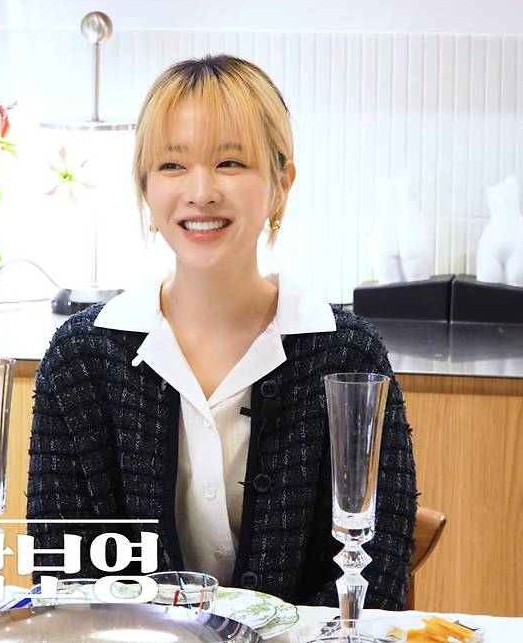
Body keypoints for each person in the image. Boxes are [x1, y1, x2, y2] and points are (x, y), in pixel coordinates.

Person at [27, 54, 417, 609]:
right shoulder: (84, 357)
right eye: (172, 165)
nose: (201, 191)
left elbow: (376, 574)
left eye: (230, 162)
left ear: (281, 183)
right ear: (144, 187)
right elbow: (63, 575)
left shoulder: (347, 354)